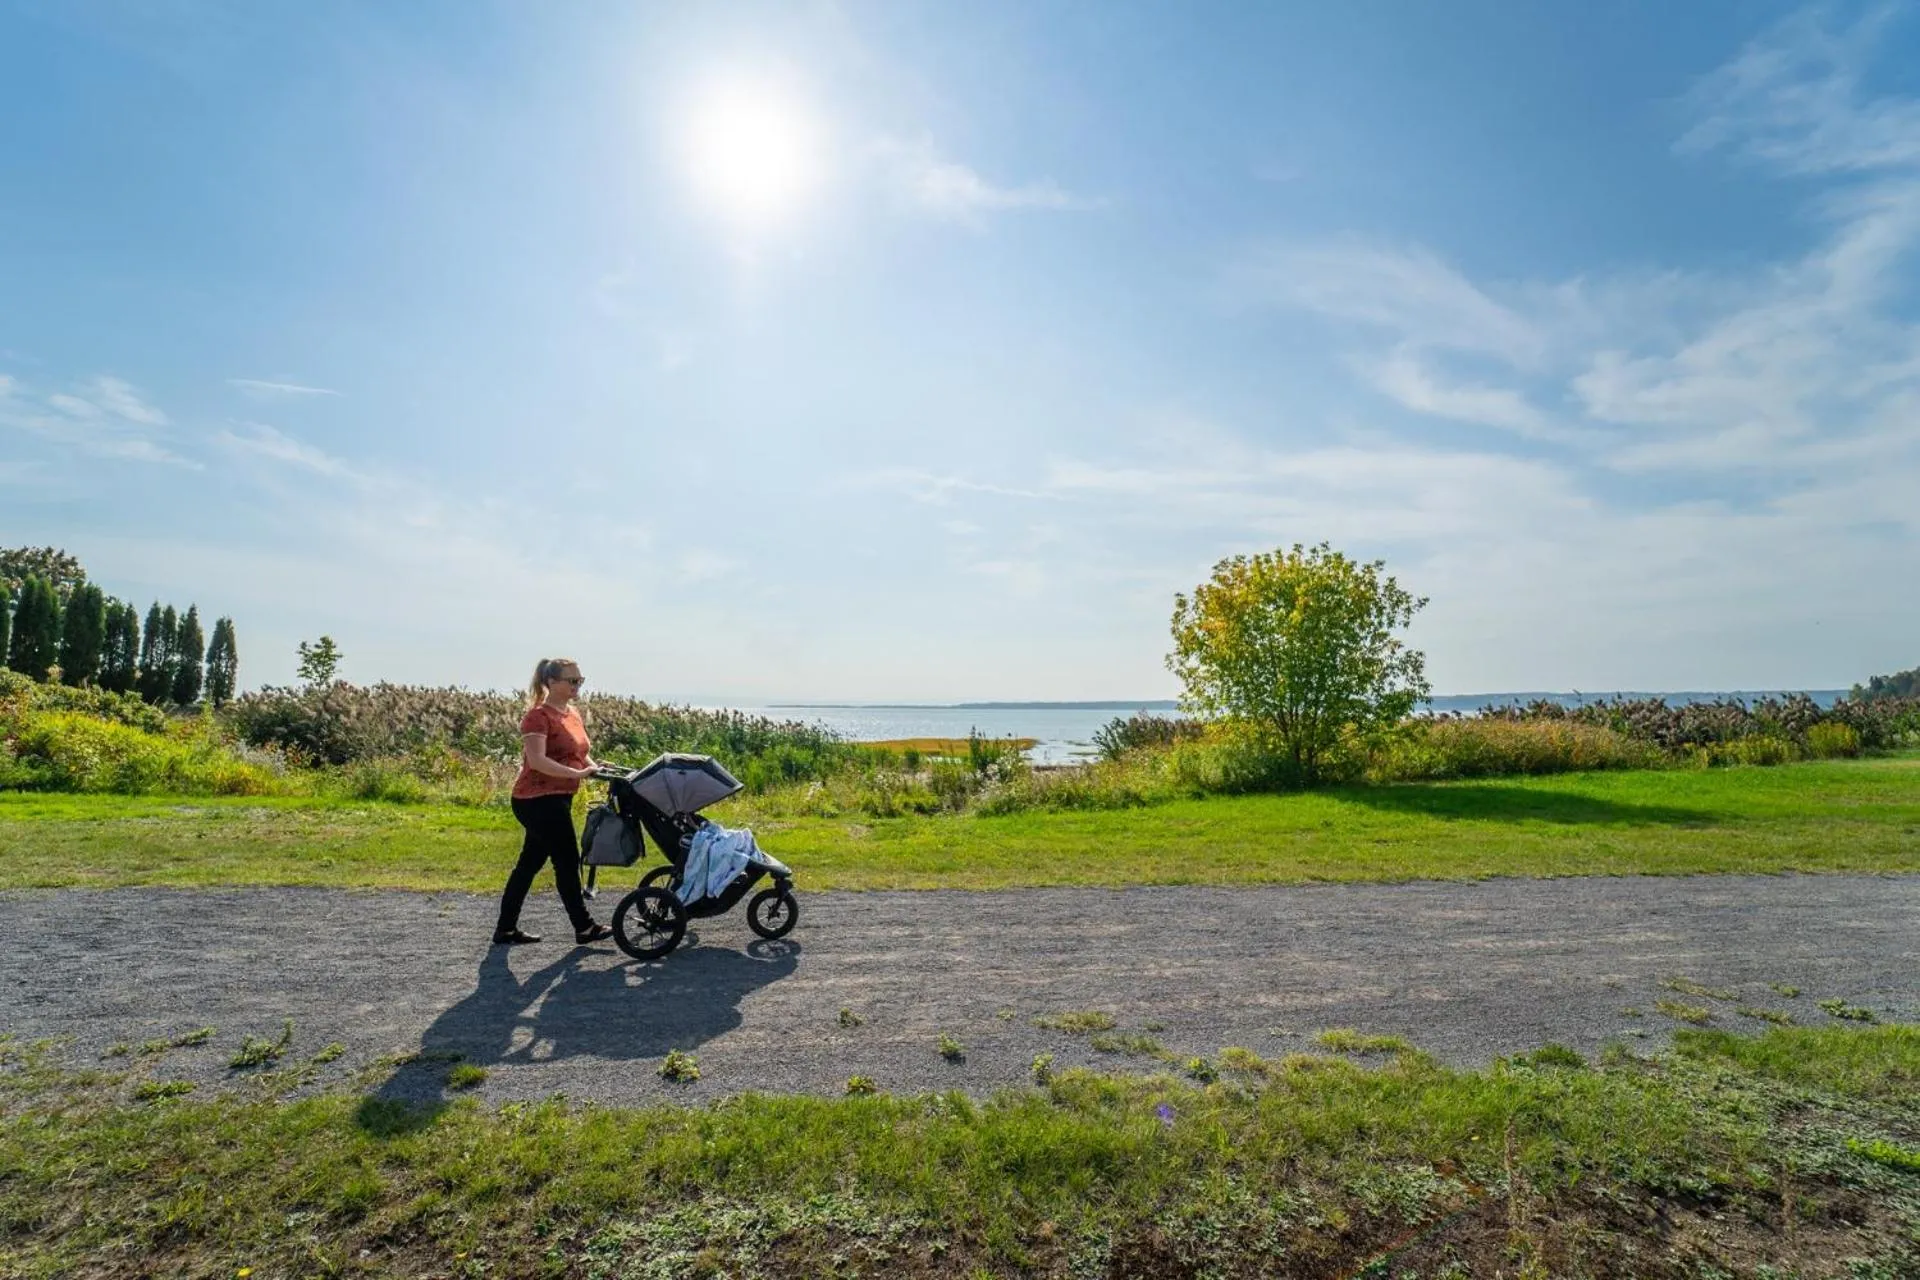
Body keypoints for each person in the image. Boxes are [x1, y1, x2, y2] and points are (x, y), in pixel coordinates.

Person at [494, 657, 614, 946]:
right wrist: (578, 773)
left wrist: (595, 768)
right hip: (535, 799)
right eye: (571, 681)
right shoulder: (538, 716)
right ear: (551, 683)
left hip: (559, 798)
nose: (577, 685)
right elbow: (537, 761)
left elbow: (580, 752)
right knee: (567, 860)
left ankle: (506, 929)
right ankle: (584, 926)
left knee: (530, 863)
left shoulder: (571, 713)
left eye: (580, 680)